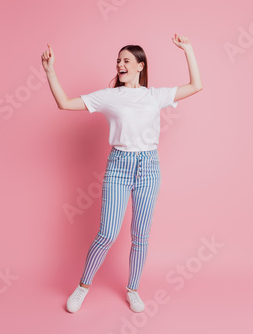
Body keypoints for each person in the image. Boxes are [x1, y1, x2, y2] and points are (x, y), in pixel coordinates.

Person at [40, 33, 203, 313]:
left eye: (126, 60)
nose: (120, 65)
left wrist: (188, 50)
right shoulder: (109, 97)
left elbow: (196, 86)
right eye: (118, 61)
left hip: (149, 167)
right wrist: (50, 71)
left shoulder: (155, 96)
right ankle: (82, 287)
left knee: (141, 235)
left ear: (140, 66)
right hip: (119, 166)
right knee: (107, 233)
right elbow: (65, 103)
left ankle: (133, 290)